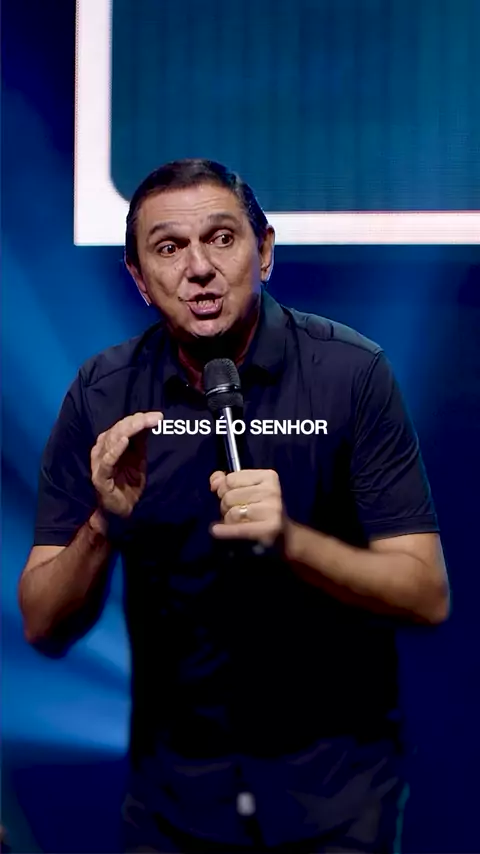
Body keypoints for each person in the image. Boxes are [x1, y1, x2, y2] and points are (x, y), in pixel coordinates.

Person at [18, 159, 450, 854]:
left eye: (221, 239)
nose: (199, 269)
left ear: (265, 251)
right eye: (169, 248)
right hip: (174, 802)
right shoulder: (104, 392)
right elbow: (43, 625)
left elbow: (425, 593)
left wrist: (292, 543)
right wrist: (104, 524)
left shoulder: (350, 372)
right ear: (139, 278)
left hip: (337, 794)